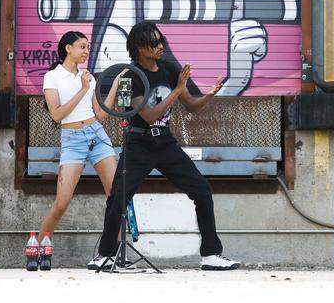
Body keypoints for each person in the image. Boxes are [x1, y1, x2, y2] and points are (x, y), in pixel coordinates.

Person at [94, 20, 237, 271]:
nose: (161, 46)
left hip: (165, 142)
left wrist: (210, 94)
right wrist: (178, 89)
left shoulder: (170, 69)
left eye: (162, 41)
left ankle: (211, 255)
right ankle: (104, 255)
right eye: (154, 42)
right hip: (138, 142)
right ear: (139, 46)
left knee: (202, 190)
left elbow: (191, 105)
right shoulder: (129, 76)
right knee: (119, 197)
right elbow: (146, 115)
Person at [38, 31, 127, 267]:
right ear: (68, 48)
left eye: (88, 47)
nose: (86, 51)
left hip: (97, 135)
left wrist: (115, 85)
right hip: (72, 140)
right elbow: (56, 115)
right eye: (82, 46)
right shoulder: (52, 77)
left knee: (115, 196)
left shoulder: (89, 77)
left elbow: (101, 115)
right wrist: (82, 88)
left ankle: (115, 254)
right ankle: (38, 247)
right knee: (62, 201)